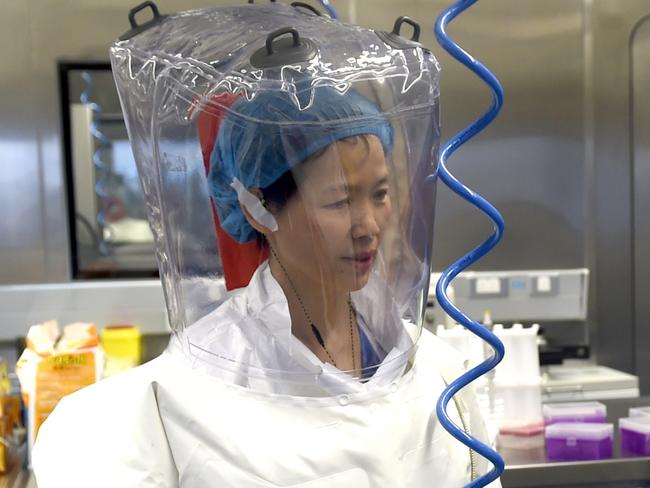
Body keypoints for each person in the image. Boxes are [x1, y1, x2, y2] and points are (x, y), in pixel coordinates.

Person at [32, 4, 501, 487]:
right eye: (340, 201)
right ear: (258, 207)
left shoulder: (437, 373)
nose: (368, 226)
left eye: (379, 194)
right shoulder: (181, 396)